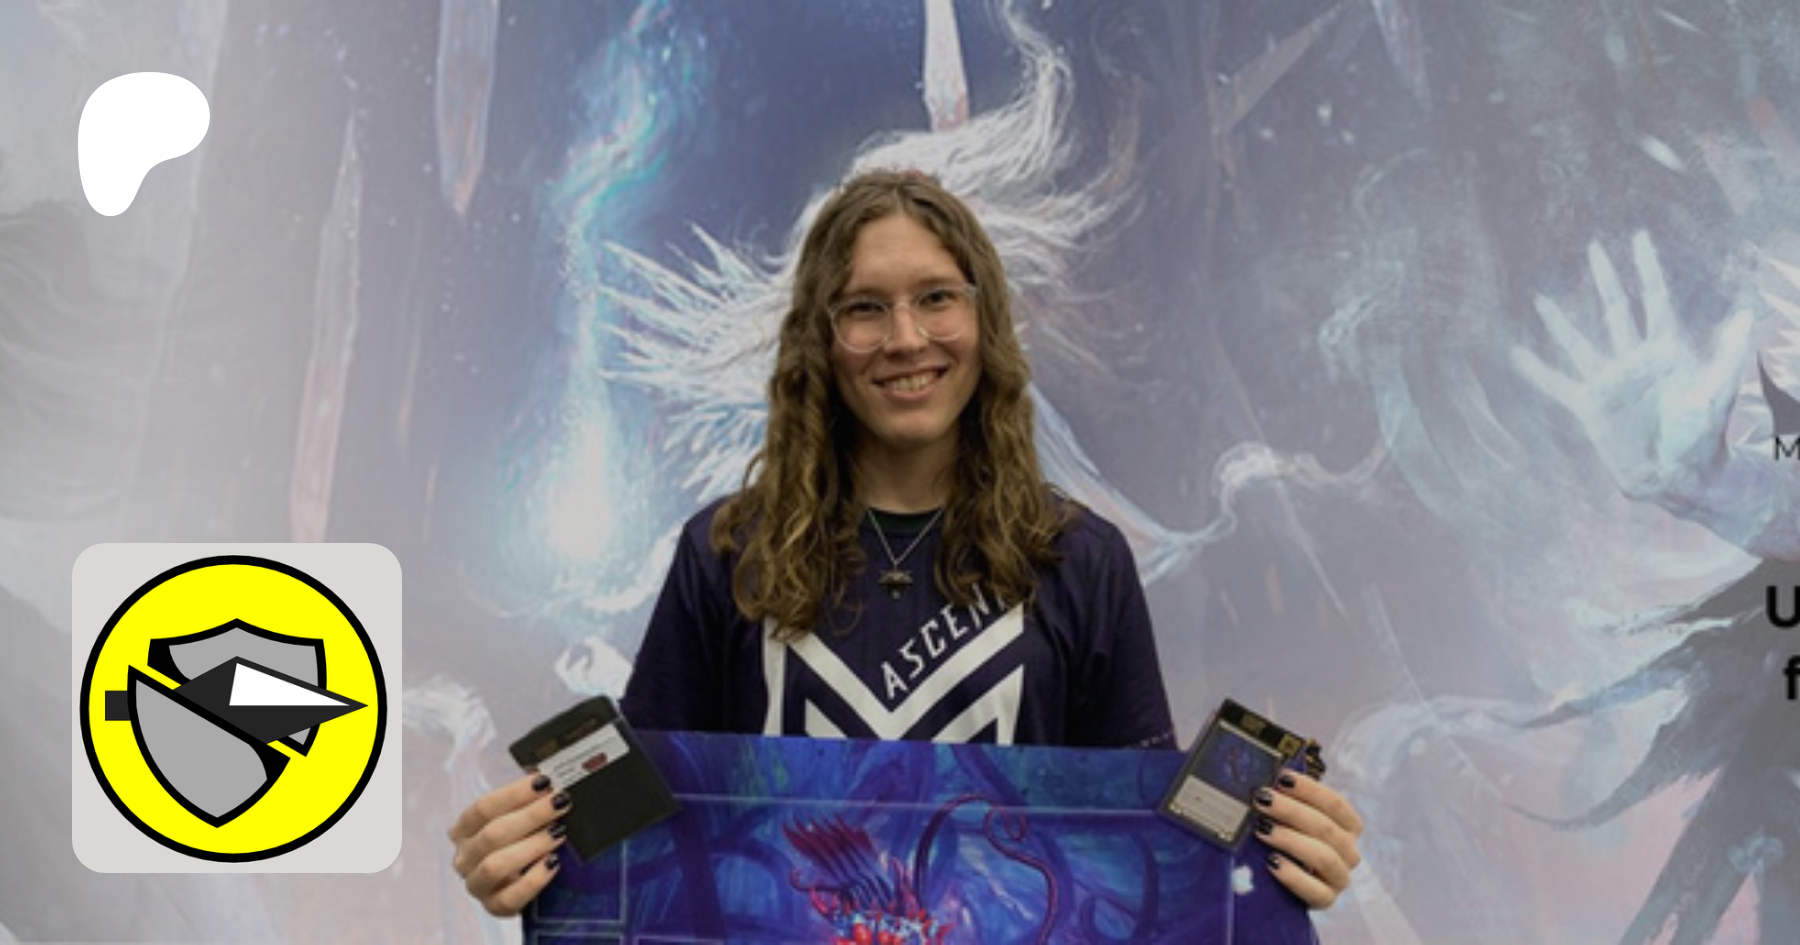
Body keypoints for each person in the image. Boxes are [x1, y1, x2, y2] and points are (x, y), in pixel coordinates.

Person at [450, 169, 1364, 917]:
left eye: (936, 298)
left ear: (984, 319)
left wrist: (1278, 861)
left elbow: (1137, 861)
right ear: (820, 339)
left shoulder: (1082, 560)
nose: (905, 337)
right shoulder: (725, 553)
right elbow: (643, 845)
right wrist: (527, 858)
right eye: (864, 308)